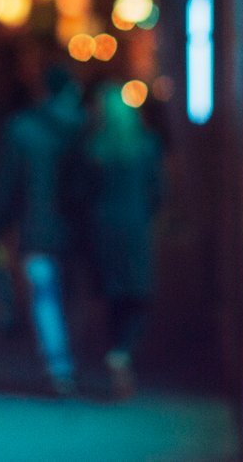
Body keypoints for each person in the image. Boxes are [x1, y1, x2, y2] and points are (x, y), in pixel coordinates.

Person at [0, 66, 87, 396]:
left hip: (37, 228)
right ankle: (70, 360)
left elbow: (6, 183)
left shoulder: (22, 130)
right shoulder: (83, 129)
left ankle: (59, 365)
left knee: (45, 296)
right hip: (76, 230)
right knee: (68, 294)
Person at [80, 82, 164, 399]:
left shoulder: (94, 149)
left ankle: (117, 350)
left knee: (114, 295)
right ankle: (122, 351)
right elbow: (158, 191)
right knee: (139, 292)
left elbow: (81, 192)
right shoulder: (146, 146)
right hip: (134, 226)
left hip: (103, 228)